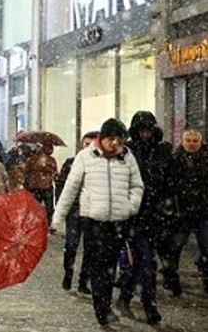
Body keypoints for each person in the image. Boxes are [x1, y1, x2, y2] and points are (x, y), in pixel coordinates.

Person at [52, 118, 144, 327]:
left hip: (119, 221)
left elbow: (137, 186)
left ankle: (105, 303)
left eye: (119, 140)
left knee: (111, 267)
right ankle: (102, 308)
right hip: (94, 221)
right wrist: (57, 219)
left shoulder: (127, 157)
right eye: (111, 139)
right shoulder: (85, 157)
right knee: (98, 266)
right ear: (102, 138)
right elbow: (70, 190)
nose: (115, 144)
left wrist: (131, 206)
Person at [116, 111, 171, 324]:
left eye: (148, 130)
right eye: (141, 130)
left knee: (142, 264)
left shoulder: (161, 151)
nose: (145, 134)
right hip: (134, 217)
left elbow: (168, 182)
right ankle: (150, 308)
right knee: (146, 263)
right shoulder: (127, 152)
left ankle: (125, 296)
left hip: (155, 217)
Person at [166, 129, 208, 295]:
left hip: (203, 212)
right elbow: (170, 185)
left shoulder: (204, 159)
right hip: (181, 213)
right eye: (188, 140)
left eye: (194, 141)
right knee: (175, 247)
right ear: (182, 142)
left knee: (206, 247)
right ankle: (171, 278)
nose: (191, 144)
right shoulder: (175, 159)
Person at [56, 130, 96, 294]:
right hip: (74, 211)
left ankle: (83, 281)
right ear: (82, 144)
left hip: (92, 212)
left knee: (90, 248)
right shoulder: (71, 163)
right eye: (87, 144)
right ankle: (68, 274)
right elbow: (62, 187)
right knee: (71, 244)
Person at [24, 142, 58, 223]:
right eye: (50, 148)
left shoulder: (32, 159)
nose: (52, 150)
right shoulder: (51, 160)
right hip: (46, 187)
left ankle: (34, 223)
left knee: (35, 208)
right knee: (49, 208)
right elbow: (55, 173)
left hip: (34, 187)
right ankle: (47, 223)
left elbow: (27, 172)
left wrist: (26, 184)